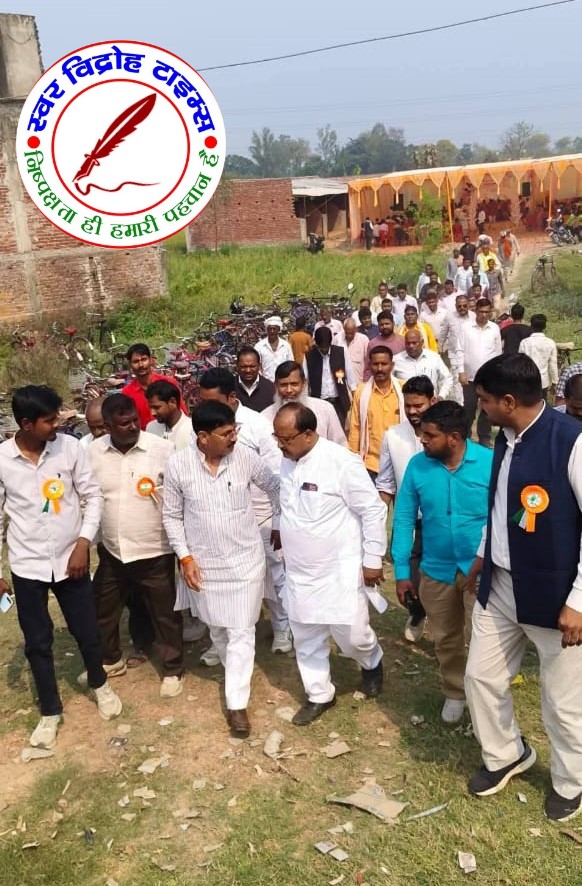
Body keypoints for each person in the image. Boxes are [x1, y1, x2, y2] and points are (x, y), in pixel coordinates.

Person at [464, 354, 582, 822]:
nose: (481, 407)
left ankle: (571, 782)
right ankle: (506, 754)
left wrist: (578, 601)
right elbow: (502, 507)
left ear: (509, 401)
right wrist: (482, 554)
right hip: (501, 585)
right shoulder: (504, 437)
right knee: (481, 678)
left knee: (563, 701)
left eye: (485, 400)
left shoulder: (570, 442)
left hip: (556, 594)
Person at [0, 385, 122, 750]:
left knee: (87, 630)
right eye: (49, 420)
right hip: (27, 565)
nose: (57, 425)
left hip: (72, 561)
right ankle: (50, 711)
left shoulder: (69, 448)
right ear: (26, 424)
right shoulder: (3, 459)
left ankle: (99, 683)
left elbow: (91, 496)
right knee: (37, 642)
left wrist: (84, 542)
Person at [163, 402, 280, 736]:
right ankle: (235, 676)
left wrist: (278, 524)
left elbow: (275, 486)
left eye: (235, 431)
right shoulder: (178, 465)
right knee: (217, 628)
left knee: (242, 630)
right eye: (227, 433)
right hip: (204, 565)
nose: (234, 438)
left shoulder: (245, 457)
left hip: (245, 561)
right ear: (203, 437)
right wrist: (185, 557)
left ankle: (237, 704)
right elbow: (171, 515)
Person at [274, 403, 387, 725]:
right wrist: (279, 529)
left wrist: (373, 559)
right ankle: (319, 693)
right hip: (300, 571)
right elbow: (287, 502)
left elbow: (372, 510)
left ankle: (371, 661)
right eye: (277, 438)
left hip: (339, 570)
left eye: (286, 439)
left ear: (309, 434)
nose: (280, 445)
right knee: (306, 636)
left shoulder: (341, 462)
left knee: (353, 637)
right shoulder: (287, 461)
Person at [393, 401, 492, 723]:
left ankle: (484, 697)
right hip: (436, 571)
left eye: (430, 435)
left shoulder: (490, 463)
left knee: (483, 639)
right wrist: (402, 572)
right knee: (446, 637)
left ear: (454, 437)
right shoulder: (417, 466)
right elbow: (404, 518)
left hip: (481, 571)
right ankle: (455, 691)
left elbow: (505, 515)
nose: (422, 440)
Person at [87, 394, 184, 698]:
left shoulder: (162, 450)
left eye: (135, 421)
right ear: (107, 427)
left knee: (165, 613)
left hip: (154, 549)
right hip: (112, 550)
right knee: (103, 610)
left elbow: (179, 496)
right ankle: (110, 660)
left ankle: (172, 669)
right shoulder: (92, 453)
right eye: (123, 423)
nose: (132, 427)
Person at [198, 368, 291, 655]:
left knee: (273, 574)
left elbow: (277, 476)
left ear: (231, 397)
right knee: (223, 580)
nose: (207, 408)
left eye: (214, 401)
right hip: (222, 519)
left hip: (261, 517)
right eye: (203, 401)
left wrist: (278, 521)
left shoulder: (257, 425)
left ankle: (282, 629)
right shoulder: (202, 427)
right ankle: (222, 639)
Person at [376, 376, 437, 642]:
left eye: (418, 406)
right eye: (408, 406)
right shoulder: (393, 436)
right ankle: (417, 612)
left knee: (439, 580)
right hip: (409, 521)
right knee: (409, 578)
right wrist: (377, 520)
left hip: (439, 520)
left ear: (432, 401)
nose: (412, 412)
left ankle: (441, 625)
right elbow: (386, 482)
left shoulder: (444, 435)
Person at [348, 346, 405, 481]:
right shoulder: (361, 392)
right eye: (375, 364)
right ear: (369, 366)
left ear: (392, 365)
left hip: (400, 460)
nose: (379, 368)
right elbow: (355, 427)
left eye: (384, 364)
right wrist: (352, 459)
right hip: (370, 464)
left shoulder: (404, 390)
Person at [262, 361, 347, 445]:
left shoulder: (325, 409)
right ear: (276, 386)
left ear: (304, 384)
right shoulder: (264, 417)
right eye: (283, 385)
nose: (289, 390)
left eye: (294, 384)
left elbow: (341, 445)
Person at [457, 299, 502, 447]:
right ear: (476, 311)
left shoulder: (494, 328)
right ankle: (466, 436)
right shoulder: (466, 327)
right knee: (469, 407)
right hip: (469, 377)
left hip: (488, 377)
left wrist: (497, 373)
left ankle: (484, 437)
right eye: (481, 311)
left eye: (486, 312)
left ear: (490, 312)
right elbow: (459, 350)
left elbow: (497, 353)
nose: (483, 315)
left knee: (487, 408)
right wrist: (461, 371)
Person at [123, 343, 184, 430]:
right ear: (130, 365)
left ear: (151, 360)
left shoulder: (168, 383)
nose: (141, 365)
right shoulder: (127, 393)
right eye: (136, 361)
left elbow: (181, 411)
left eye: (144, 359)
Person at [303, 327, 354, 427]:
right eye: (321, 348)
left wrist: (354, 395)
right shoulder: (309, 356)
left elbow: (350, 375)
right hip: (319, 402)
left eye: (326, 347)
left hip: (338, 401)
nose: (324, 350)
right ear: (316, 344)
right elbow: (305, 381)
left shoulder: (341, 352)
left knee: (339, 430)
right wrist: (306, 402)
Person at [392, 331, 452, 399]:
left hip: (431, 403)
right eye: (408, 343)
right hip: (406, 403)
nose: (411, 346)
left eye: (414, 343)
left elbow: (447, 379)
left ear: (422, 342)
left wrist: (441, 396)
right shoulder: (396, 360)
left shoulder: (434, 358)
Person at [440, 293, 475, 405]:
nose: (462, 308)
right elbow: (443, 333)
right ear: (456, 306)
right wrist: (440, 347)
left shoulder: (474, 317)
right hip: (454, 354)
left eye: (464, 305)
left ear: (468, 305)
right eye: (459, 306)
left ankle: (470, 402)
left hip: (471, 354)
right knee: (457, 380)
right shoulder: (450, 317)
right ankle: (460, 405)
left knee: (470, 379)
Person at [518, 314, 558, 400]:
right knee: (541, 403)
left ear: (531, 326)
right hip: (543, 382)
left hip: (527, 380)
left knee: (527, 403)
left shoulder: (524, 342)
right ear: (544, 327)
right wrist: (554, 382)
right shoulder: (550, 343)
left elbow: (520, 363)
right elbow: (553, 365)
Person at [146, 380, 193, 450]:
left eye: (156, 407)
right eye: (151, 408)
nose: (152, 413)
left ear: (173, 402)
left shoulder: (192, 430)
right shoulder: (151, 427)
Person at [363, 311, 405, 380]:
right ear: (378, 326)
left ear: (393, 323)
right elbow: (368, 368)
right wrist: (366, 383)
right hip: (379, 381)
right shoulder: (372, 344)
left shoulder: (403, 341)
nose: (384, 326)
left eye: (387, 324)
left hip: (400, 381)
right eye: (381, 325)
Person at [235, 346, 275, 412]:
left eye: (252, 366)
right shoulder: (229, 387)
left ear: (259, 366)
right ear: (237, 366)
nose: (248, 370)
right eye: (244, 366)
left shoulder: (271, 389)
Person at [254, 317, 294, 382]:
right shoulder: (259, 346)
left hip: (283, 381)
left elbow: (290, 364)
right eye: (269, 329)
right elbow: (256, 365)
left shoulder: (286, 346)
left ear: (279, 330)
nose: (272, 331)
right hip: (265, 382)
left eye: (274, 329)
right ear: (267, 330)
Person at [335, 318, 369, 385]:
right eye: (347, 333)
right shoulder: (337, 338)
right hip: (342, 381)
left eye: (352, 333)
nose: (349, 335)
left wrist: (366, 379)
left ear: (356, 329)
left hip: (359, 382)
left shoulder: (364, 339)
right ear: (344, 329)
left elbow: (368, 362)